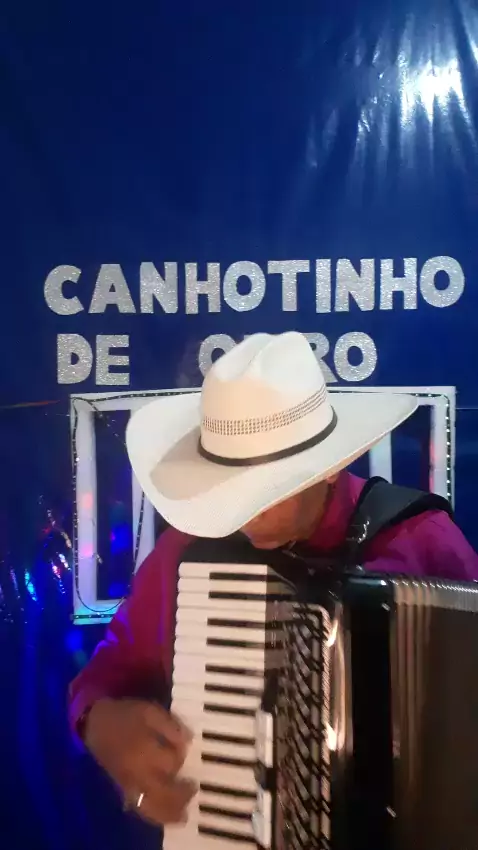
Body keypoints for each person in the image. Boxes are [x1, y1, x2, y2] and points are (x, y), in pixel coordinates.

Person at [69, 331, 478, 828]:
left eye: (266, 488)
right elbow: (104, 675)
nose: (243, 512)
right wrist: (101, 723)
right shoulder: (187, 550)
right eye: (226, 483)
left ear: (329, 467)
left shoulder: (422, 541)